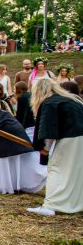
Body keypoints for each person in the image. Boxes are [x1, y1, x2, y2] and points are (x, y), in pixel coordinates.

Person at [26, 78, 83, 215]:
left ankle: (51, 205)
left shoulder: (50, 103)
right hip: (79, 137)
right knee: (77, 172)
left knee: (56, 168)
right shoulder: (71, 99)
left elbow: (49, 130)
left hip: (70, 139)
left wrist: (44, 149)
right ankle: (75, 203)